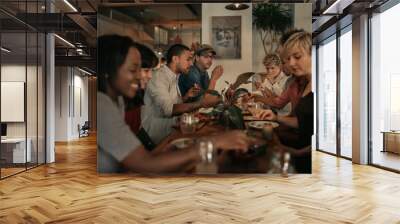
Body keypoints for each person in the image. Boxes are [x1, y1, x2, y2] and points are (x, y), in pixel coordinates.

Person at [97, 34, 251, 173]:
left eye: (144, 69)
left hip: (161, 140)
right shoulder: (102, 105)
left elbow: (131, 162)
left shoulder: (116, 100)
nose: (146, 76)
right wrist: (211, 142)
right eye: (133, 70)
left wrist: (186, 99)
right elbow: (168, 111)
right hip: (153, 137)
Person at [254, 31, 313, 173]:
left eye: (297, 57)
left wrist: (296, 153)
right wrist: (275, 117)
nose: (291, 63)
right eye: (287, 59)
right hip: (301, 150)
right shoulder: (303, 83)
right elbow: (302, 122)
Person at [141, 44, 221, 143]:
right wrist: (202, 103)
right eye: (188, 59)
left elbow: (172, 104)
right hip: (156, 137)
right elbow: (168, 110)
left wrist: (186, 97)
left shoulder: (175, 76)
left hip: (171, 131)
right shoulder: (159, 77)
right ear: (175, 59)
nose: (191, 64)